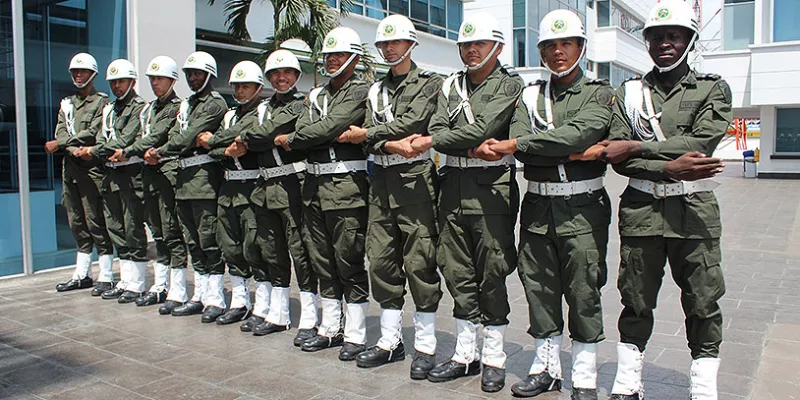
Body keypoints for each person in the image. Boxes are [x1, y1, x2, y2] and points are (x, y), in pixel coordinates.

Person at [597, 1, 730, 398]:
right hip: (642, 211)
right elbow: (616, 158)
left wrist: (637, 148)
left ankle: (704, 387)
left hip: (694, 212)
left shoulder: (712, 88)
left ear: (689, 40)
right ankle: (627, 381)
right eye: (656, 37)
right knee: (635, 299)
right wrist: (668, 167)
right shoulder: (629, 92)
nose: (664, 44)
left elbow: (702, 143)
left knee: (704, 301)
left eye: (673, 36)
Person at [489, 10, 614, 400]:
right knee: (539, 287)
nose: (557, 52)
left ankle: (584, 375)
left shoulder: (601, 93)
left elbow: (580, 132)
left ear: (581, 47)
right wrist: (565, 149)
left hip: (583, 207)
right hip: (539, 206)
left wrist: (525, 146)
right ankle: (546, 367)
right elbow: (554, 143)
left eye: (566, 44)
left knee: (583, 289)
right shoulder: (530, 95)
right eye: (549, 46)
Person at [410, 13, 523, 393]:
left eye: (478, 44)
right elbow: (437, 130)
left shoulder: (509, 84)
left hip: (491, 192)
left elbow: (484, 127)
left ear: (498, 48)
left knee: (492, 271)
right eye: (465, 45)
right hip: (452, 188)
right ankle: (464, 353)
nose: (470, 51)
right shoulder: (450, 85)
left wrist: (444, 138)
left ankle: (494, 357)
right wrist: (448, 139)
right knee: (456, 270)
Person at [337, 15, 443, 378]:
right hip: (380, 181)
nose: (388, 48)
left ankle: (426, 345)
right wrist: (384, 141)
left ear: (411, 44)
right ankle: (390, 340)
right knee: (380, 261)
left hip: (415, 183)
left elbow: (412, 122)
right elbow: (372, 138)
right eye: (383, 44)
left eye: (395, 42)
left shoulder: (430, 84)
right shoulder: (374, 89)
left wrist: (371, 135)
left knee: (420, 262)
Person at [274, 27, 370, 361]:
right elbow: (315, 129)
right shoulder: (315, 96)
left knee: (348, 259)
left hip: (346, 188)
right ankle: (331, 327)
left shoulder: (361, 92)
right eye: (328, 55)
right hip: (313, 187)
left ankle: (356, 333)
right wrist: (314, 134)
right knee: (322, 259)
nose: (332, 61)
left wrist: (297, 139)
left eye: (339, 55)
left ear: (355, 58)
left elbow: (324, 128)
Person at [237, 49, 319, 344]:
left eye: (287, 73)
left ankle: (309, 317)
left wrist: (258, 138)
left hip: (292, 184)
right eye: (275, 74)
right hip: (265, 185)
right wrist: (259, 139)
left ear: (297, 76)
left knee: (301, 251)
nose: (281, 78)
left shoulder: (301, 105)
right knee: (271, 250)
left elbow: (258, 136)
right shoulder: (261, 108)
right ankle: (279, 312)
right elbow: (250, 136)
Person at [146, 51, 227, 320]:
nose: (193, 78)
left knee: (209, 239)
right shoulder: (188, 104)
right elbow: (178, 135)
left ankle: (216, 298)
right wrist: (175, 145)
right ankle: (200, 295)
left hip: (203, 180)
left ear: (209, 75)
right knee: (193, 240)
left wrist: (161, 151)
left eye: (198, 74)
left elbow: (187, 137)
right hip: (183, 179)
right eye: (190, 74)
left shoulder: (214, 104)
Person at [196, 60, 265, 324]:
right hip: (228, 185)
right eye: (236, 86)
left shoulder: (261, 112)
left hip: (251, 185)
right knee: (230, 245)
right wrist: (225, 150)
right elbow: (210, 149)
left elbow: (248, 142)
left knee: (253, 245)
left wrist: (215, 143)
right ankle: (240, 300)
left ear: (258, 87)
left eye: (245, 86)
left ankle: (263, 303)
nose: (239, 91)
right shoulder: (229, 115)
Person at [117, 56, 188, 308]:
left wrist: (128, 152)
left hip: (166, 175)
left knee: (171, 232)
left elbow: (157, 136)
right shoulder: (148, 108)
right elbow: (138, 134)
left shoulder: (177, 107)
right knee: (157, 232)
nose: (155, 83)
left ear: (172, 80)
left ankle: (177, 290)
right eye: (152, 79)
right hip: (147, 174)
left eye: (160, 78)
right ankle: (161, 284)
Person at [76, 59, 148, 304]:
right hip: (111, 175)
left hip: (130, 175)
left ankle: (138, 283)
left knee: (132, 228)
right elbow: (101, 136)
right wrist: (101, 149)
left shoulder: (139, 107)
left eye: (121, 81)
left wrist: (94, 151)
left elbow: (125, 139)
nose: (117, 86)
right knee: (116, 229)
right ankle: (126, 280)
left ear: (132, 81)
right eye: (113, 82)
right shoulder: (111, 109)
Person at [48, 53, 115, 295]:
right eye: (74, 72)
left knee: (96, 222)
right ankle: (82, 274)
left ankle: (106, 275)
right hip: (71, 171)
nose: (78, 75)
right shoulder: (67, 103)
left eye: (83, 71)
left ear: (93, 75)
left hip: (92, 171)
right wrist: (69, 145)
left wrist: (63, 144)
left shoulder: (102, 102)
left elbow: (95, 132)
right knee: (76, 223)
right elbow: (61, 131)